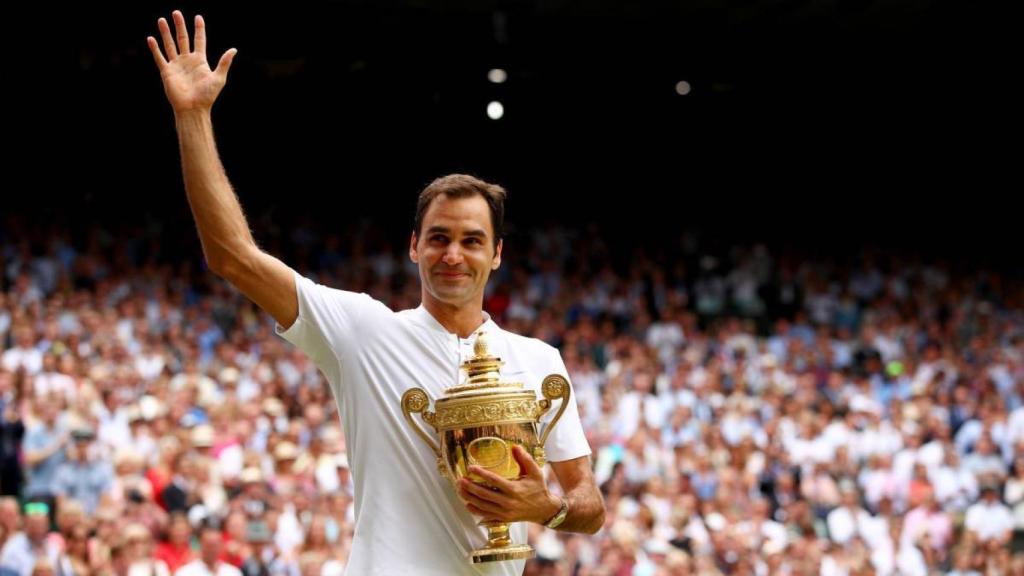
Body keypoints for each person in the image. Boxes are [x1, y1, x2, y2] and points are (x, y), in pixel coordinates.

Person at [147, 11, 605, 575]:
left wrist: (550, 509)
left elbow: (590, 504)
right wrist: (192, 118)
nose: (453, 255)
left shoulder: (538, 361)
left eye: (471, 240)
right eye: (438, 238)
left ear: (498, 254)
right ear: (414, 246)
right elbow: (232, 257)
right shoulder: (362, 332)